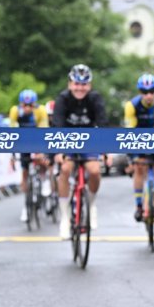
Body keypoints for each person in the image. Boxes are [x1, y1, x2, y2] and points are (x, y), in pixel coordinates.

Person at [53, 64, 108, 238]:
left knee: (94, 171)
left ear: (89, 85)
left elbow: (103, 124)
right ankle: (65, 215)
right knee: (65, 169)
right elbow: (57, 125)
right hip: (67, 140)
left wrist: (106, 151)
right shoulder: (62, 99)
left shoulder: (95, 98)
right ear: (70, 84)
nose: (80, 88)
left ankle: (91, 205)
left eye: (84, 84)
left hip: (89, 140)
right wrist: (58, 151)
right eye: (76, 84)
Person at [124, 73, 154, 222]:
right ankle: (139, 206)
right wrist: (131, 157)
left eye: (152, 91)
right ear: (140, 93)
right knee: (139, 168)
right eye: (145, 93)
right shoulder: (131, 106)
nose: (149, 96)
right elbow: (130, 130)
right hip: (139, 138)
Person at [8, 89, 49, 223]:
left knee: (41, 160)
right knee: (25, 173)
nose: (27, 108)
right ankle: (26, 206)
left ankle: (44, 181)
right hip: (23, 141)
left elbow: (44, 131)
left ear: (34, 104)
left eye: (30, 105)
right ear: (20, 104)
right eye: (24, 105)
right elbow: (12, 133)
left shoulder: (40, 111)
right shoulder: (15, 111)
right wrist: (13, 155)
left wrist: (41, 151)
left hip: (37, 138)